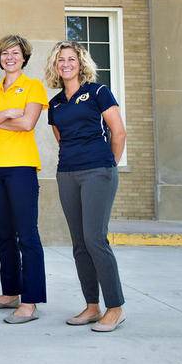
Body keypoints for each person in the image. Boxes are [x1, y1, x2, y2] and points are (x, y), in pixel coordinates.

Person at [45, 41, 127, 332]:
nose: (66, 64)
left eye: (71, 59)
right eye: (60, 60)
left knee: (95, 239)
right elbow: (61, 138)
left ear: (80, 63)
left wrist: (109, 164)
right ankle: (92, 306)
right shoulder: (54, 104)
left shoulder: (98, 92)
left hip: (98, 171)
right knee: (79, 243)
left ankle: (115, 307)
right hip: (67, 173)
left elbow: (118, 131)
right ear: (55, 66)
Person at [0, 35, 48, 324]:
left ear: (24, 57)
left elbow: (27, 123)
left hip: (21, 168)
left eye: (15, 53)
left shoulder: (33, 86)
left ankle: (29, 302)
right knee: (4, 235)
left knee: (27, 236)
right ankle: (10, 293)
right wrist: (5, 114)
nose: (10, 57)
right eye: (5, 53)